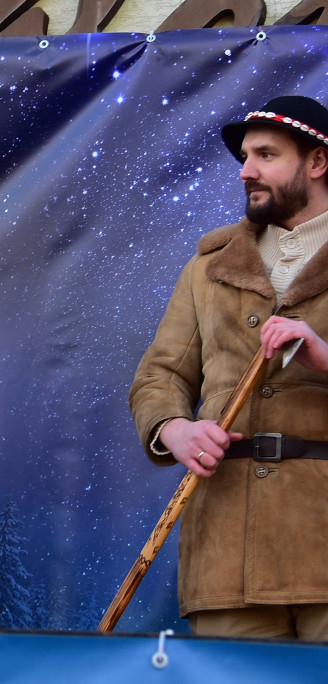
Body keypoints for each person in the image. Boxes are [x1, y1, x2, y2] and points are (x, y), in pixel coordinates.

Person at [130, 95, 328, 640]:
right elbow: (161, 377)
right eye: (245, 156)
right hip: (226, 555)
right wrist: (174, 427)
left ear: (317, 162)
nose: (247, 171)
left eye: (266, 154)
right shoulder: (208, 265)